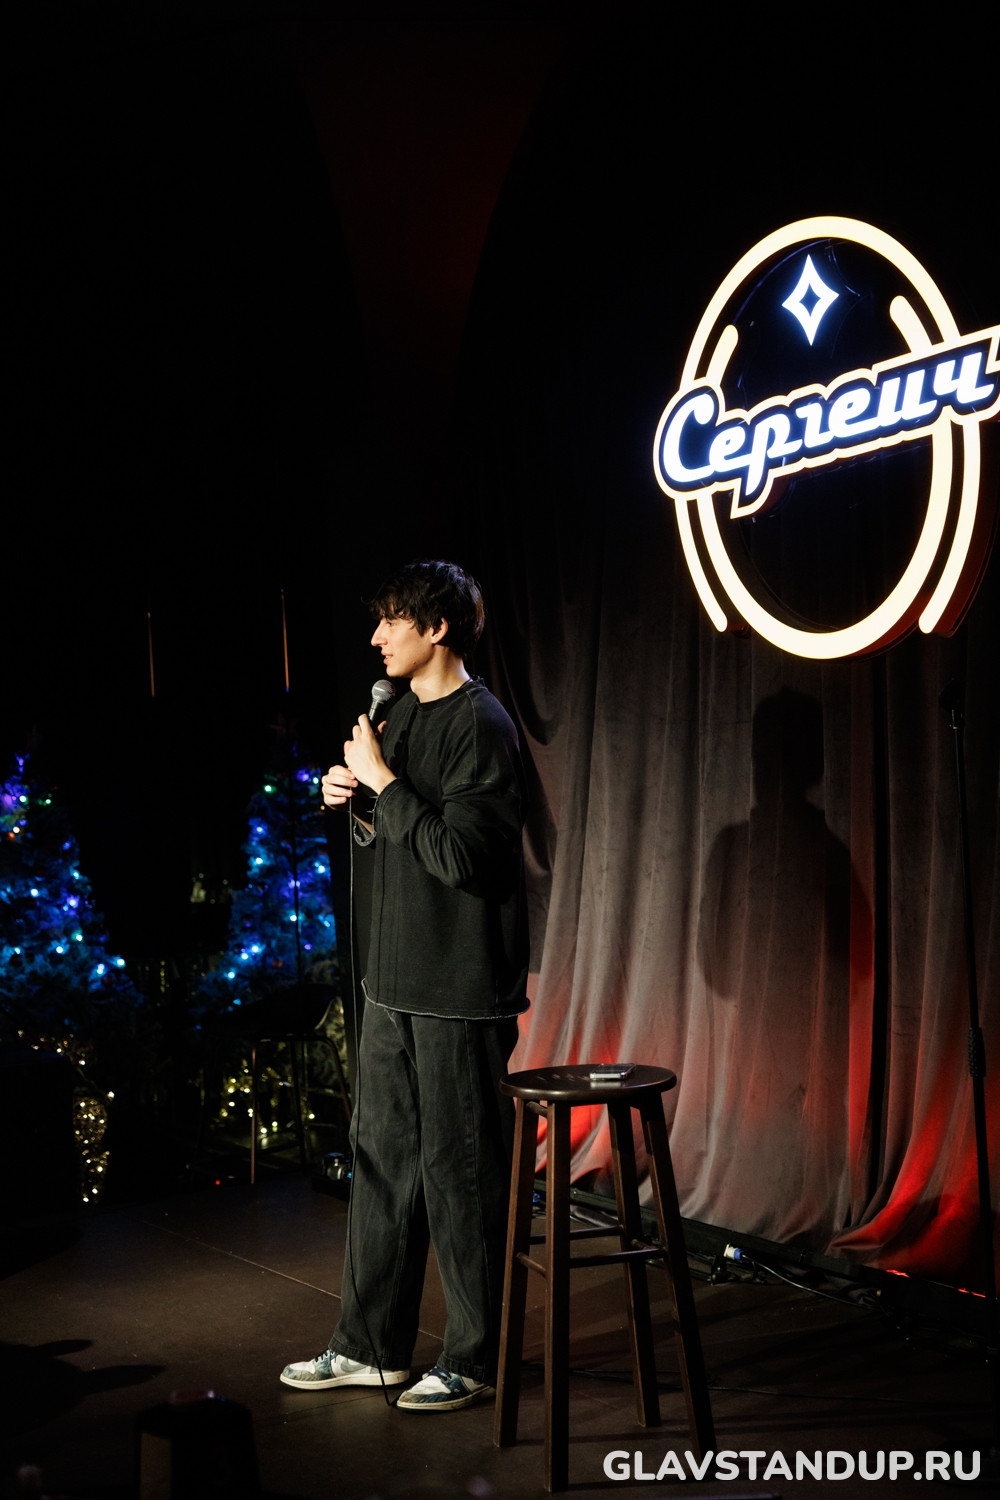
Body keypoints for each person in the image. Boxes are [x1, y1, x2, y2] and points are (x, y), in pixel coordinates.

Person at [280, 560, 529, 1412]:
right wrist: (350, 795)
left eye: (392, 620)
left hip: (457, 988)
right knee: (382, 1164)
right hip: (390, 981)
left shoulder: (482, 725)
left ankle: (475, 1357)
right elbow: (398, 833)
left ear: (438, 628)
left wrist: (384, 783)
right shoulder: (398, 714)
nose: (376, 636)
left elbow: (465, 859)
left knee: (461, 1174)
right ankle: (370, 1346)